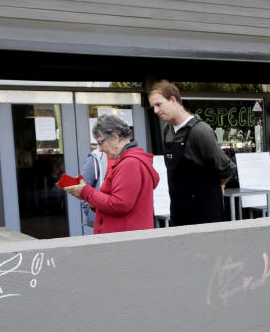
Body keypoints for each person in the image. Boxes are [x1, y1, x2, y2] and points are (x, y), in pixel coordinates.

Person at [147, 80, 235, 226]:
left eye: (159, 104)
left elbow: (225, 169)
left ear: (173, 100)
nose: (155, 110)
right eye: (153, 107)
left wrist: (218, 188)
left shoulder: (200, 131)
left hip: (205, 216)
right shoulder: (167, 130)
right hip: (179, 212)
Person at [60, 115, 158, 234]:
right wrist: (88, 196)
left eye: (101, 142)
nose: (100, 149)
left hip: (123, 243)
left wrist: (86, 191)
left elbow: (119, 205)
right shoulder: (130, 161)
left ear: (115, 137)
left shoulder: (130, 163)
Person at [79, 147, 109, 228]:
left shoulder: (126, 157)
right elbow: (82, 188)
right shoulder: (96, 157)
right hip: (101, 221)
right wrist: (91, 213)